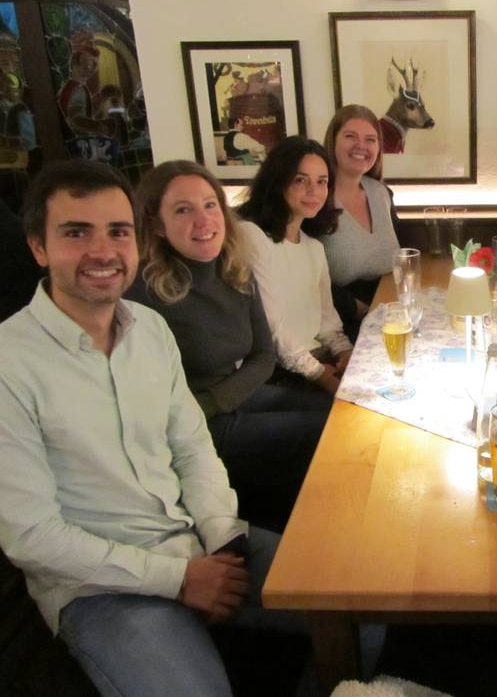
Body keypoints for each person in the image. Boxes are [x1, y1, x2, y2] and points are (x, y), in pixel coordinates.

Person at [0, 160, 308, 696]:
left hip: (197, 539)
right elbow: (30, 536)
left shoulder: (150, 330)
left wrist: (221, 537)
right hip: (102, 587)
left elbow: (191, 449)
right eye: (76, 232)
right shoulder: (9, 363)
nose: (102, 251)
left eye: (118, 231)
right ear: (38, 247)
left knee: (361, 608)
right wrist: (179, 578)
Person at [127, 160, 329, 532]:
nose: (203, 221)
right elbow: (150, 407)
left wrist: (220, 399)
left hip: (223, 399)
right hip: (193, 428)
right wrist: (210, 406)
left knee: (340, 417)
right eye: (183, 210)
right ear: (156, 224)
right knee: (324, 437)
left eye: (210, 205)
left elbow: (263, 356)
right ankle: (299, 542)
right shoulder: (142, 293)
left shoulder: (234, 267)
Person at [237, 136, 353, 392]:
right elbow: (273, 327)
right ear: (278, 182)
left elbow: (327, 323)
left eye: (321, 182)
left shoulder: (314, 248)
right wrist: (321, 375)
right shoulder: (252, 236)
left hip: (316, 361)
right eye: (301, 180)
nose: (314, 191)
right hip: (278, 374)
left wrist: (346, 354)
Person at [321, 104, 401, 338]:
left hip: (387, 314)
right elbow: (301, 277)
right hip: (340, 326)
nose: (361, 146)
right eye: (350, 137)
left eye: (370, 139)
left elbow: (400, 257)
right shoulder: (316, 199)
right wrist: (359, 309)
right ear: (332, 141)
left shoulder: (381, 193)